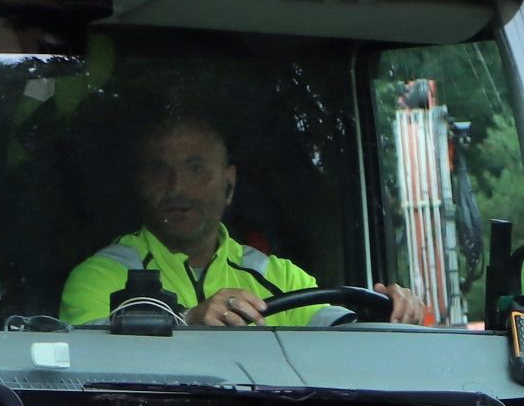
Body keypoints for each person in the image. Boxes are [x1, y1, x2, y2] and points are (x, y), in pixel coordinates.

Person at [58, 109, 429, 328]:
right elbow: (88, 373)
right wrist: (188, 322)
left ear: (229, 185)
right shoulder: (99, 277)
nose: (177, 187)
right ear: (140, 185)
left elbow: (343, 338)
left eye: (196, 168)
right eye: (159, 170)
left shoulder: (279, 277)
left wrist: (390, 315)